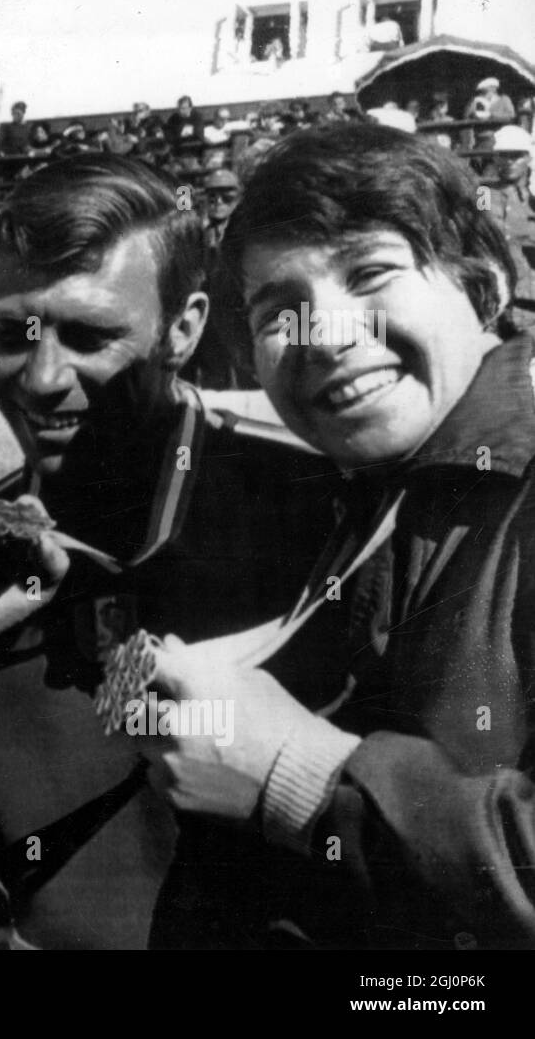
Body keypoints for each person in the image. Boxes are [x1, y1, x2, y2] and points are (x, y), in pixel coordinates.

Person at [0, 154, 342, 948]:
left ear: (184, 328)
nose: (40, 378)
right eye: (14, 333)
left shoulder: (317, 511)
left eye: (89, 336)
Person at [146, 122, 535, 949]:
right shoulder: (357, 492)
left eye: (371, 273)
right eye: (279, 310)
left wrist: (302, 775)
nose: (324, 336)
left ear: (486, 284)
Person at [201, 168, 239, 250]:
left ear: (236, 200)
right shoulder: (199, 234)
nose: (218, 201)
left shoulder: (242, 232)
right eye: (212, 197)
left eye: (226, 197)